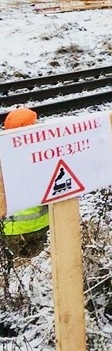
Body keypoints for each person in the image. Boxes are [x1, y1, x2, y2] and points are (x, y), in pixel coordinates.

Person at [2, 108, 50, 254]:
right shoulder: (40, 155)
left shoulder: (4, 154)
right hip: (39, 226)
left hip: (9, 231)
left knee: (19, 270)